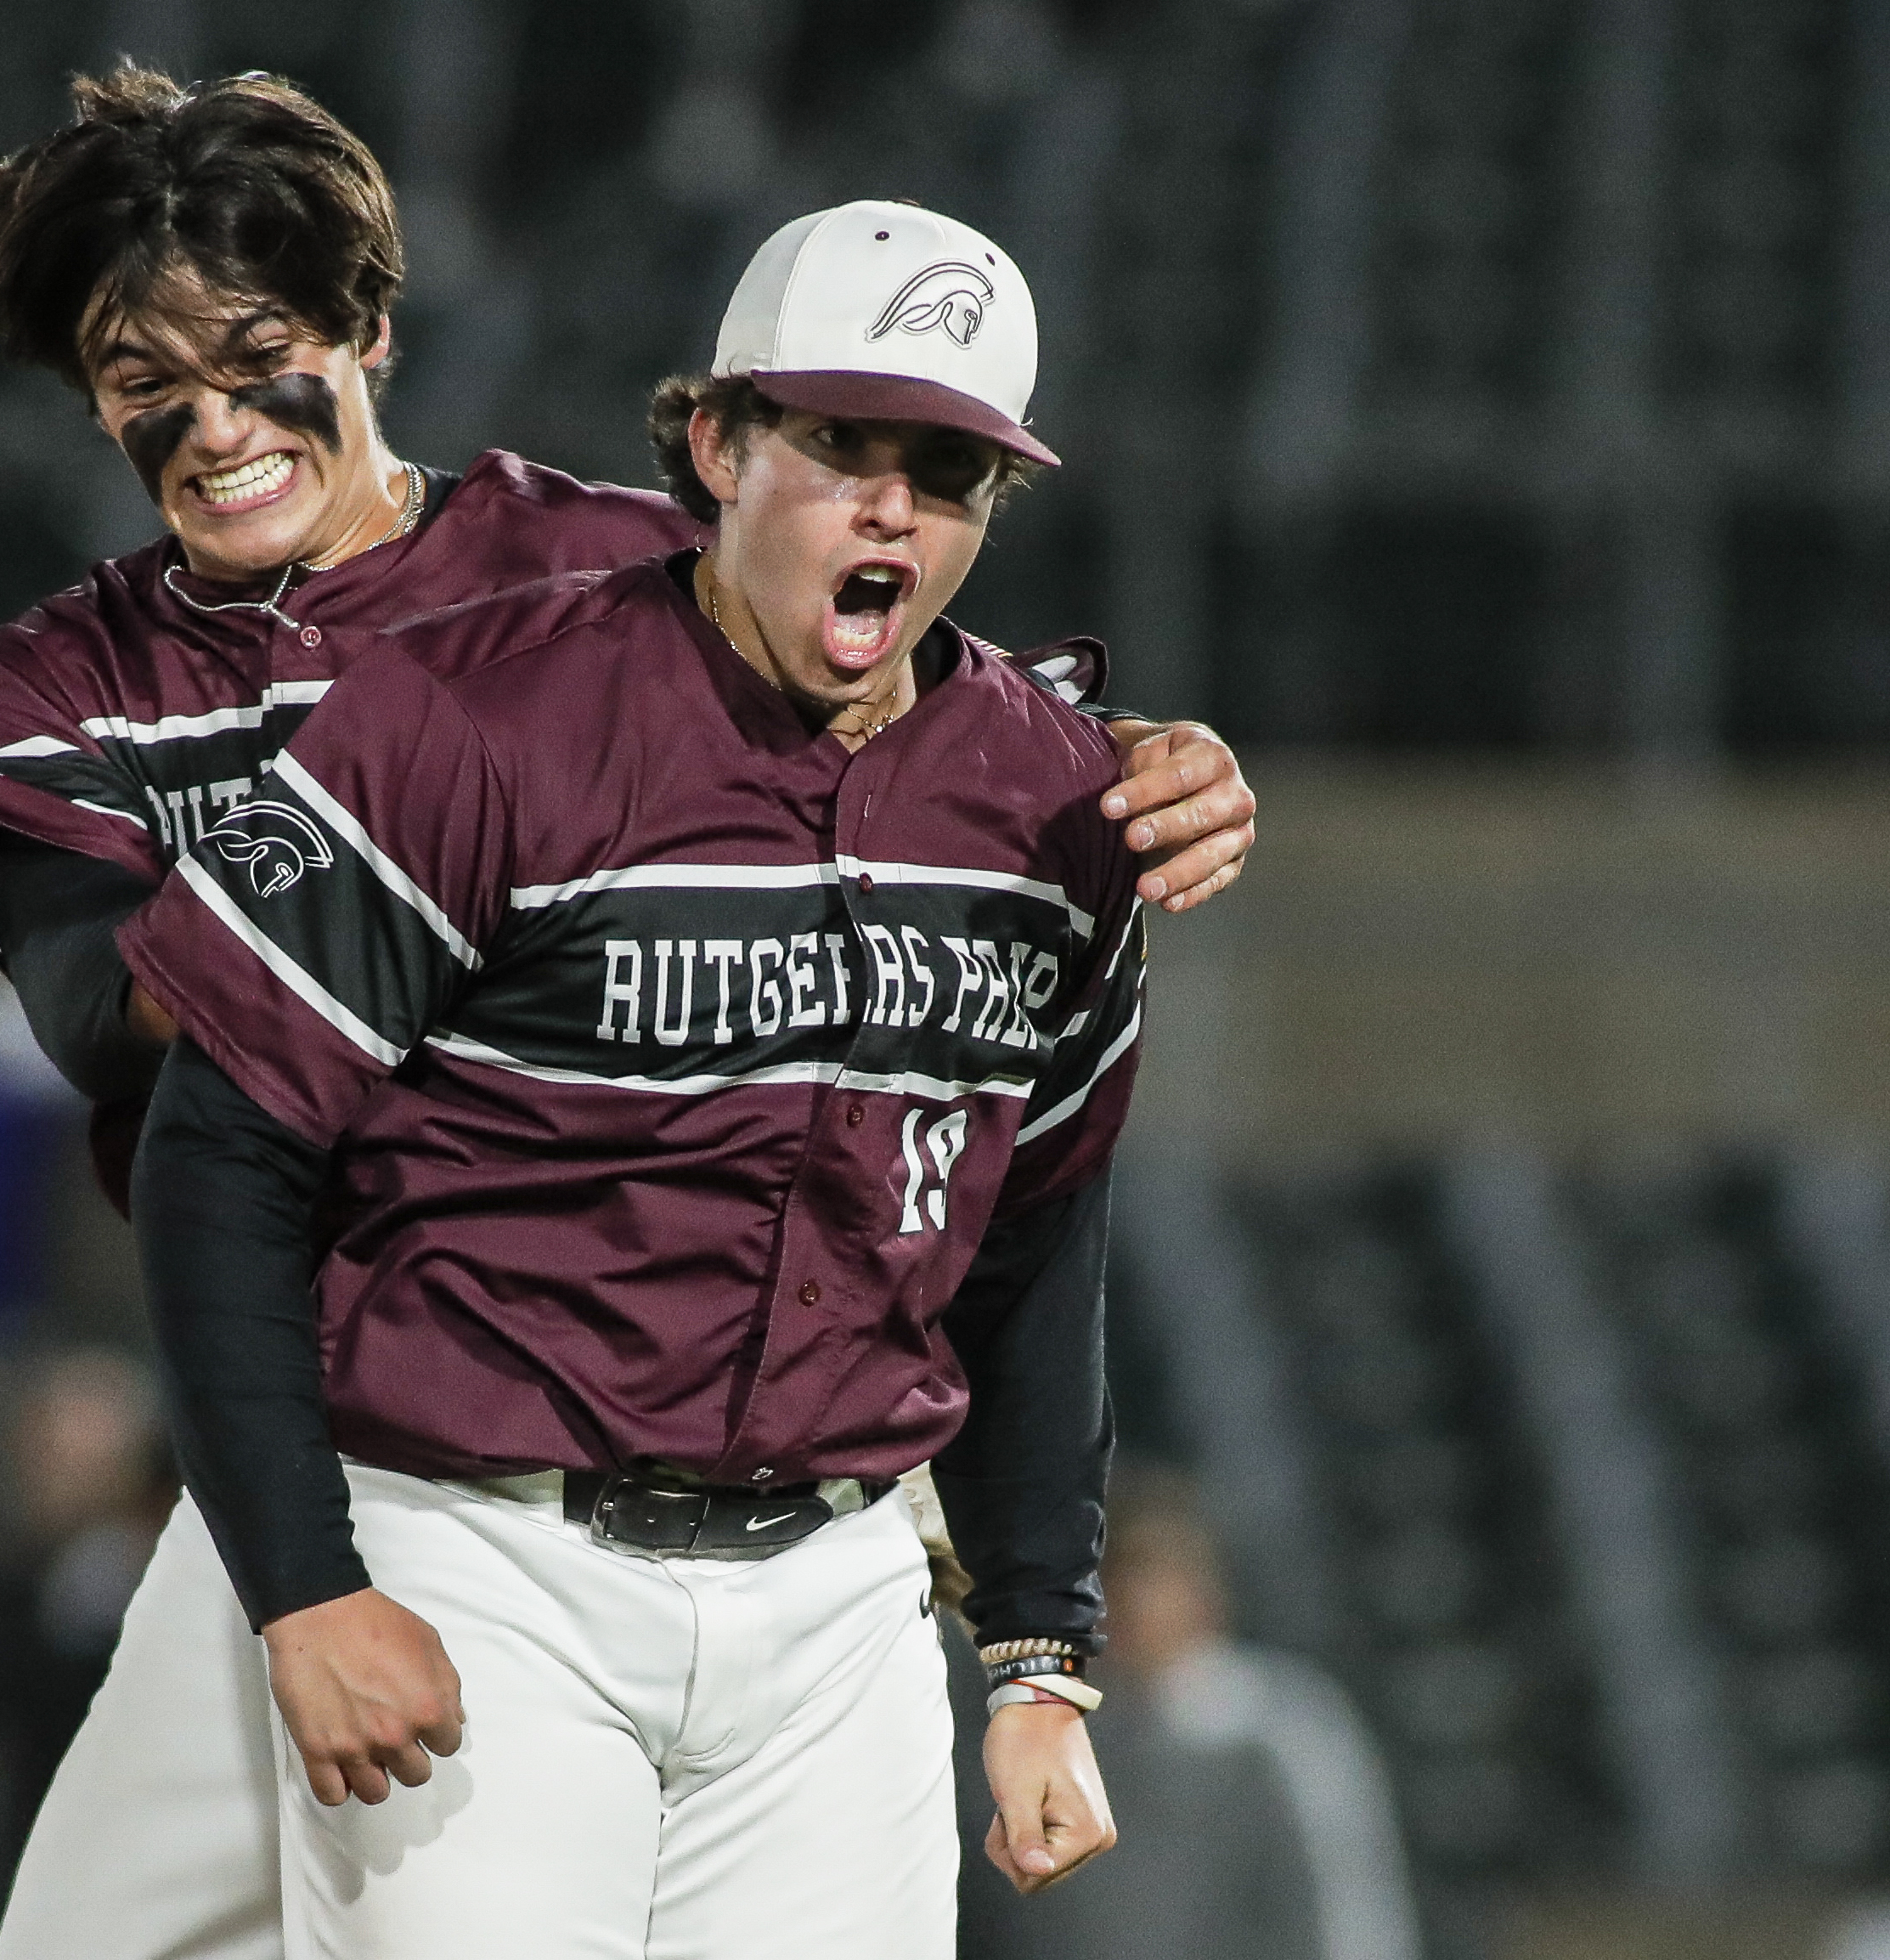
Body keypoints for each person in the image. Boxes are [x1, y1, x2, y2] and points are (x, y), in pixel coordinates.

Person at [0, 68, 1256, 1960]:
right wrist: (390, 859)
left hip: (671, 1433)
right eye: (144, 385)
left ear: (369, 332)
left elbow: (898, 713)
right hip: (323, 1415)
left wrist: (1136, 763)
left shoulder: (601, 558)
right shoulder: (66, 682)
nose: (208, 425)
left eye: (255, 354)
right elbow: (127, 1029)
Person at [117, 195, 1139, 1957]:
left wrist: (1038, 1652)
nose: (891, 503)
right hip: (482, 1558)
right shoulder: (471, 717)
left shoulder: (1056, 807)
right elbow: (219, 1156)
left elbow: (1033, 1242)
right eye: (838, 444)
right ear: (714, 442)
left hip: (837, 1598)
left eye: (949, 470)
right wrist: (300, 1583)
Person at [961, 1463, 1419, 1960]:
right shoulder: (1037, 1742)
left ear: (1204, 1589)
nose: (1131, 1602)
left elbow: (1347, 1926)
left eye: (1152, 1575)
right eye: (1111, 1578)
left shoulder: (1283, 1734)